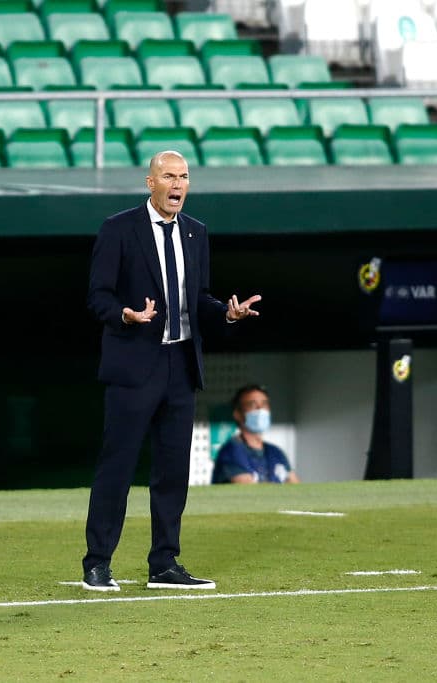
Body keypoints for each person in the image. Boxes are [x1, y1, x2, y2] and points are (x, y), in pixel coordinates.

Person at [81, 150, 261, 592]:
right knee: (117, 468)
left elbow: (197, 299)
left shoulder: (196, 234)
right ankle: (97, 562)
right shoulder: (118, 229)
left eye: (183, 177)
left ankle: (164, 563)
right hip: (133, 367)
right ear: (150, 183)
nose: (177, 184)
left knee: (172, 471)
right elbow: (97, 296)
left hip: (180, 366)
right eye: (168, 176)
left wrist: (226, 315)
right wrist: (124, 314)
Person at [213, 384, 299, 484]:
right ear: (238, 414)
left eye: (264, 404)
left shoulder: (275, 452)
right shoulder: (232, 451)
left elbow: (296, 488)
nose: (260, 409)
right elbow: (250, 493)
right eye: (252, 405)